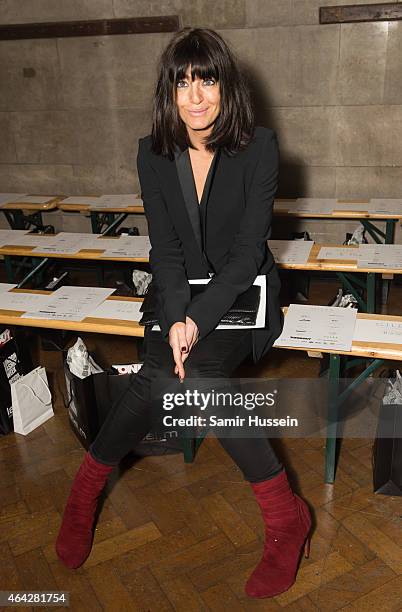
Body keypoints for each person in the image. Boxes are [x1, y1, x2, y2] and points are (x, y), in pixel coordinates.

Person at [55, 27, 311, 599]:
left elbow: (247, 253)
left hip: (242, 293)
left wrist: (199, 320)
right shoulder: (153, 152)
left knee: (191, 375)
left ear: (226, 86)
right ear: (168, 93)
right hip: (175, 293)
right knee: (160, 378)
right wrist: (176, 315)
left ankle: (283, 521)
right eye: (182, 83)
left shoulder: (259, 147)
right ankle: (86, 494)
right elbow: (165, 249)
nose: (195, 97)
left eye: (207, 79)